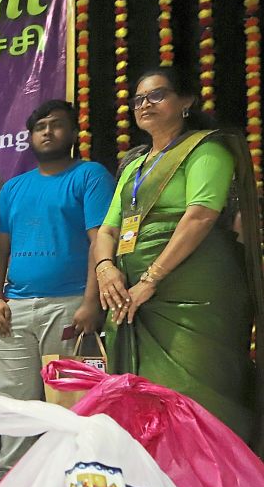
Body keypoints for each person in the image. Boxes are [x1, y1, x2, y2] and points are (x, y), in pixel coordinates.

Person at [94, 67, 263, 442]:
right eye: (138, 99)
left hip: (193, 296)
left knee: (195, 398)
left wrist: (151, 279)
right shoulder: (134, 164)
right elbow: (108, 229)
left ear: (185, 102)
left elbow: (201, 215)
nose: (145, 105)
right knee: (138, 400)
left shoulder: (207, 148)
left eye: (156, 95)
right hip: (130, 297)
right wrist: (106, 270)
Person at [0, 100, 115, 474]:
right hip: (15, 309)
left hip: (71, 303)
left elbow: (100, 241)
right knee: (15, 404)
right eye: (39, 126)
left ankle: (76, 477)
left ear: (74, 133)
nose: (47, 132)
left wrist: (92, 302)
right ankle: (13, 481)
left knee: (70, 404)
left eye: (56, 125)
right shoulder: (13, 188)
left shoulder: (90, 176)